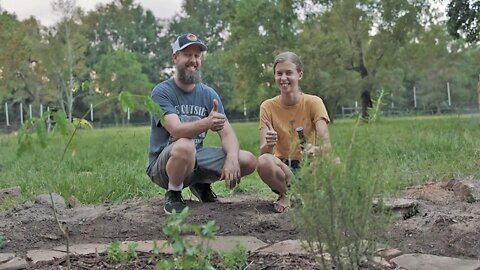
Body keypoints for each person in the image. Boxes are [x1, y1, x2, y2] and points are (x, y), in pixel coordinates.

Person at [146, 33, 257, 214]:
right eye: (187, 55)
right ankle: (173, 194)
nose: (193, 60)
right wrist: (207, 123)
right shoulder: (161, 92)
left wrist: (231, 158)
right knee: (184, 145)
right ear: (175, 57)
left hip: (194, 159)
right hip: (164, 165)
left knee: (247, 160)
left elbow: (227, 133)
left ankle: (201, 184)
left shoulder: (208, 93)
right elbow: (177, 130)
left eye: (197, 55)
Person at [257, 51, 333, 213]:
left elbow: (326, 146)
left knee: (334, 163)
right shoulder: (267, 107)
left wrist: (316, 149)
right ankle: (287, 194)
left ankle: (307, 193)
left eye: (288, 73)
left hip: (308, 164)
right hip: (283, 167)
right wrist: (269, 144)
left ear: (299, 74)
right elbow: (264, 153)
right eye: (279, 73)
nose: (283, 78)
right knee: (264, 161)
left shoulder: (314, 102)